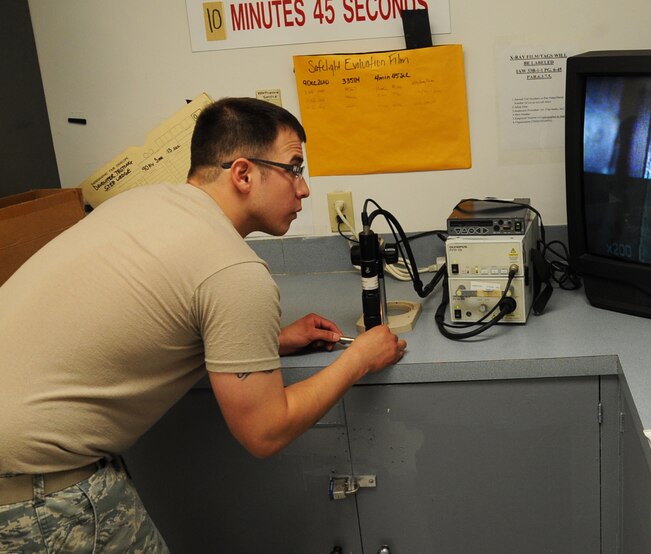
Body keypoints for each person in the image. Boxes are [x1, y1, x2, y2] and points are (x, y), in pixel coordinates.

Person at [0, 97, 407, 552]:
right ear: (243, 173)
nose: (305, 188)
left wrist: (267, 342)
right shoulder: (232, 270)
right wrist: (359, 358)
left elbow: (145, 315)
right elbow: (265, 431)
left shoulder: (142, 204)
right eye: (294, 167)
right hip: (37, 495)